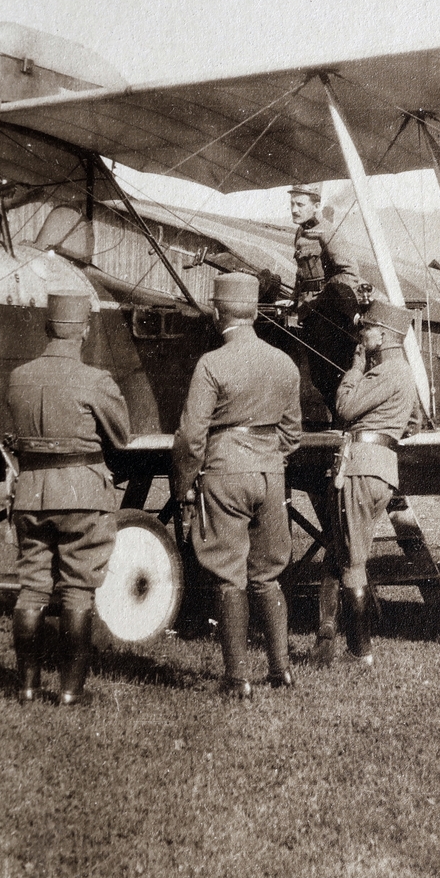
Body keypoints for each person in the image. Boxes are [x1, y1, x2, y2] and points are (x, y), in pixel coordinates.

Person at [173, 272, 303, 697]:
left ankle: (237, 678)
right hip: (271, 473)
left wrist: (185, 486)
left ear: (216, 312)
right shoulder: (283, 362)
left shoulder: (211, 363)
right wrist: (265, 458)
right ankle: (281, 670)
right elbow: (292, 433)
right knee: (268, 575)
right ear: (255, 311)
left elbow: (192, 436)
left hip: (225, 471)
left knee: (230, 577)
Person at [6, 292, 132, 706]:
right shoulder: (96, 380)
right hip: (82, 493)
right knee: (78, 590)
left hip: (30, 492)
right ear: (84, 330)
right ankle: (69, 692)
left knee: (32, 588)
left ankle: (26, 687)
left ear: (47, 327)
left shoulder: (18, 377)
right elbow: (121, 436)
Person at [316, 299, 420, 667]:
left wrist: (356, 369)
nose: (362, 335)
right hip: (382, 469)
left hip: (359, 468)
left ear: (385, 335)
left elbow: (344, 407)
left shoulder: (384, 371)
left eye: (368, 329)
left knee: (352, 561)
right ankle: (332, 642)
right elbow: (414, 423)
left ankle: (360, 651)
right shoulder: (404, 374)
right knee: (347, 551)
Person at [288, 183, 365, 419]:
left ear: (316, 205)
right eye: (292, 203)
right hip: (309, 313)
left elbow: (350, 273)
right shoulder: (300, 233)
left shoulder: (328, 232)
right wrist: (293, 301)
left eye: (300, 204)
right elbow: (302, 275)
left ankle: (343, 419)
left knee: (332, 372)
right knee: (318, 376)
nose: (294, 209)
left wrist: (325, 297)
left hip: (329, 316)